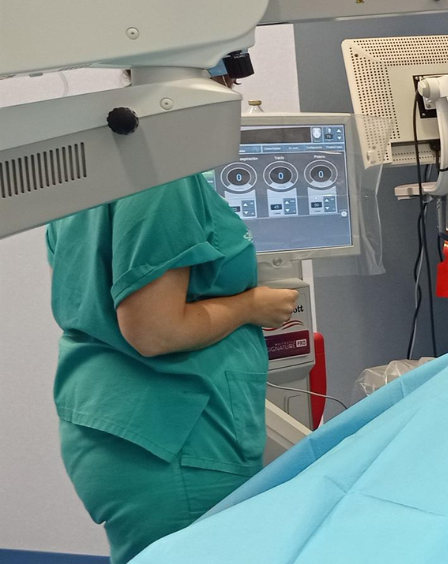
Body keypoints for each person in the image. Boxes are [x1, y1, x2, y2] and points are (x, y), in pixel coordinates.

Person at [47, 69, 298, 563]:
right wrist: (250, 306)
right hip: (175, 437)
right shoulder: (164, 172)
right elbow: (154, 331)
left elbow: (87, 287)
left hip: (120, 422)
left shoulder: (98, 157)